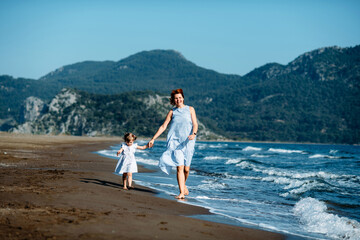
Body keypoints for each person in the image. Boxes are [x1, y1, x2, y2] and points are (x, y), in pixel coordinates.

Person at [148, 89, 198, 199]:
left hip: (188, 142)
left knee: (186, 169)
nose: (178, 100)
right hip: (175, 143)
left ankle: (184, 185)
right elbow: (163, 126)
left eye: (180, 97)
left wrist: (194, 134)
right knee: (179, 167)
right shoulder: (172, 112)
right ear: (173, 100)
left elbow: (195, 124)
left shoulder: (190, 109)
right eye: (176, 98)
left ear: (183, 98)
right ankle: (181, 192)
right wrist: (153, 138)